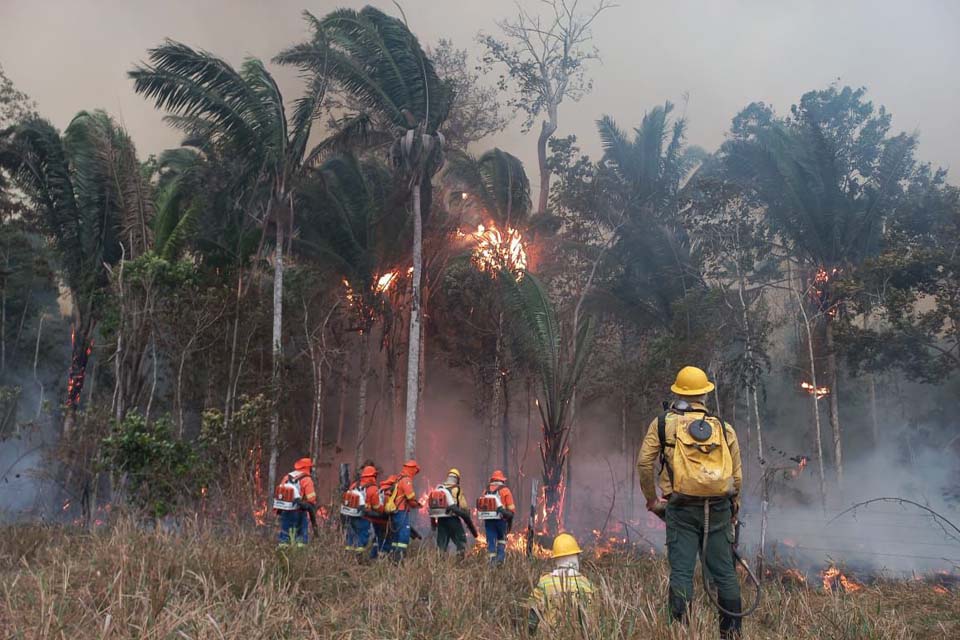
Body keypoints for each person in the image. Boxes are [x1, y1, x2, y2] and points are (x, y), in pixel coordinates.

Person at [637, 366, 744, 639]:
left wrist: (652, 499)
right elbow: (737, 476)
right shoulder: (723, 427)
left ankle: (681, 633)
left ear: (677, 392)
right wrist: (733, 508)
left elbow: (644, 463)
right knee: (725, 575)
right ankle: (731, 634)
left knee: (682, 572)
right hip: (719, 509)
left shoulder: (663, 424)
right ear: (706, 394)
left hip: (681, 508)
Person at [527, 533, 595, 635]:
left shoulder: (544, 583)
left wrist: (530, 634)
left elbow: (533, 615)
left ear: (556, 559)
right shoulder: (586, 585)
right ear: (576, 558)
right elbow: (593, 618)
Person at [427, 467, 474, 556]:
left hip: (441, 520)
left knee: (441, 544)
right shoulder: (457, 489)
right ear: (457, 479)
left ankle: (440, 565)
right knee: (461, 540)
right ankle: (460, 561)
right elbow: (463, 506)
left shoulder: (439, 489)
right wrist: (467, 515)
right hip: (453, 519)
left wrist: (433, 525)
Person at [273, 457, 317, 547]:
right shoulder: (307, 479)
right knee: (301, 536)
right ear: (308, 468)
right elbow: (311, 499)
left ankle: (283, 554)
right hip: (299, 512)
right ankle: (299, 556)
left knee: (285, 534)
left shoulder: (287, 477)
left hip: (285, 511)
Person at [476, 469, 515, 565]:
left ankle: (491, 563)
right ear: (502, 480)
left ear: (492, 480)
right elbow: (511, 510)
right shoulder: (505, 491)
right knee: (501, 539)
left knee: (491, 541)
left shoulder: (486, 491)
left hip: (489, 521)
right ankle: (500, 560)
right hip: (501, 520)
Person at [341, 465, 380, 560]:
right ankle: (359, 558)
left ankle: (348, 557)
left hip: (350, 516)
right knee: (362, 537)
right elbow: (376, 507)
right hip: (364, 517)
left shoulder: (355, 485)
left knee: (350, 536)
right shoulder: (373, 489)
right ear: (373, 476)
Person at [388, 459, 422, 560]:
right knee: (404, 534)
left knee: (396, 535)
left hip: (395, 511)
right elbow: (410, 496)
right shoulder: (406, 480)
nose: (415, 474)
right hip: (401, 511)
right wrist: (417, 505)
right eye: (415, 471)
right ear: (412, 469)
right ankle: (399, 557)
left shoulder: (399, 478)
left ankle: (393, 556)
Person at [369, 474, 397, 559]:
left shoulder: (380, 488)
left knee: (377, 538)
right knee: (386, 538)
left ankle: (373, 556)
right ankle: (383, 557)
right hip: (383, 520)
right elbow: (388, 507)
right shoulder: (390, 490)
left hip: (375, 519)